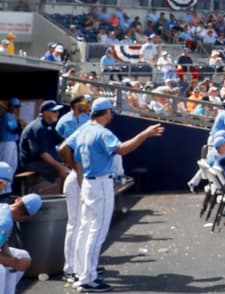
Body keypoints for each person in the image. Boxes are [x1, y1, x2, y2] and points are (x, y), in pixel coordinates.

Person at [71, 97, 164, 291]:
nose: (112, 114)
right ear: (105, 113)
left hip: (88, 182)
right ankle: (87, 279)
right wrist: (144, 134)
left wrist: (81, 183)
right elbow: (122, 149)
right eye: (110, 111)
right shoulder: (102, 133)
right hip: (100, 183)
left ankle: (79, 272)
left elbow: (75, 159)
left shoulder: (83, 131)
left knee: (85, 229)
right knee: (96, 232)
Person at [18, 99, 68, 194]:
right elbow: (43, 154)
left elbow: (62, 140)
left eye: (57, 111)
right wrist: (60, 167)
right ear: (45, 113)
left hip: (42, 161)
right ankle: (52, 196)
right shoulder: (38, 127)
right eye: (54, 111)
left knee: (66, 165)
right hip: (32, 162)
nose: (57, 113)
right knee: (61, 170)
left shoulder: (49, 125)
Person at [0, 97, 21, 171]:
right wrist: (22, 126)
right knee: (4, 166)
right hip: (6, 143)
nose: (16, 109)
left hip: (12, 143)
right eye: (15, 107)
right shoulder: (6, 116)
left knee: (13, 165)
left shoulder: (12, 116)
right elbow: (13, 130)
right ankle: (0, 182)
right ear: (10, 106)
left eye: (17, 107)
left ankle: (9, 183)